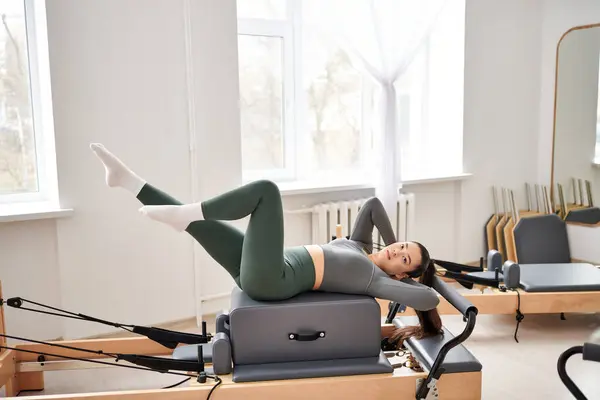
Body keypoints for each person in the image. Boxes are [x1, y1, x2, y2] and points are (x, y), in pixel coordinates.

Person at [90, 143, 442, 345]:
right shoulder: (359, 246)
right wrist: (396, 246)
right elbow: (373, 206)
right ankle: (129, 181)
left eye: (403, 259)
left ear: (401, 276)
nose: (397, 252)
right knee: (194, 223)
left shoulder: (376, 281)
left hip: (272, 279)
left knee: (267, 192)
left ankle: (188, 212)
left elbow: (429, 298)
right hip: (262, 269)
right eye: (402, 246)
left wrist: (420, 277)